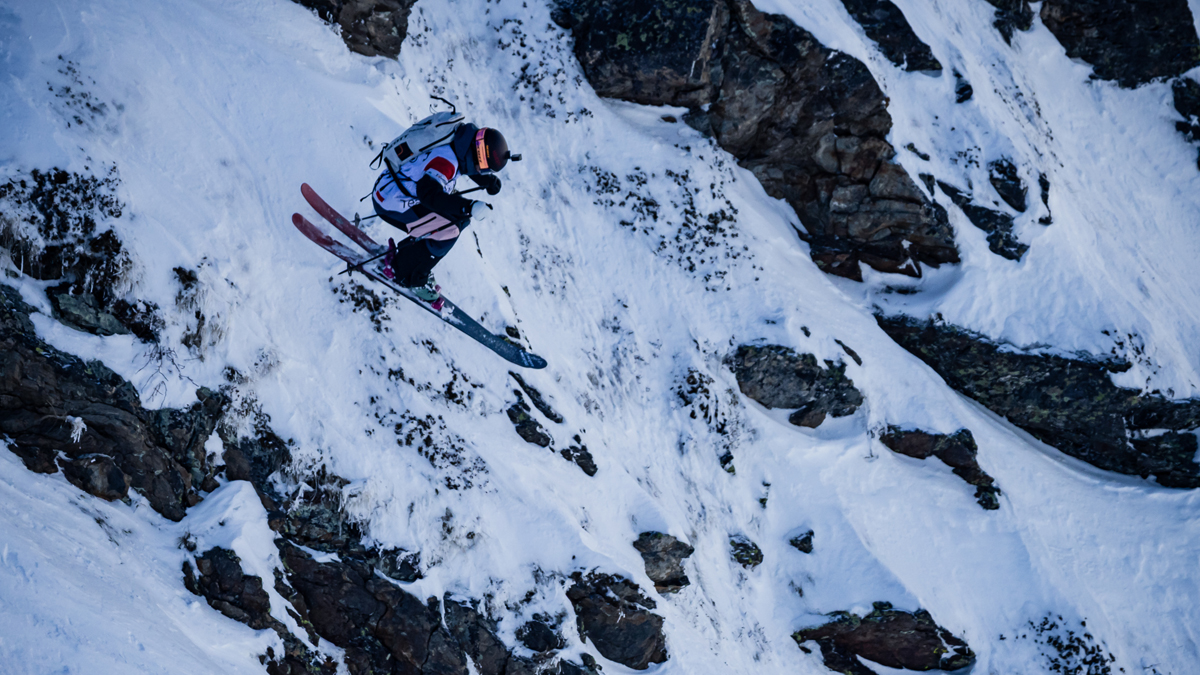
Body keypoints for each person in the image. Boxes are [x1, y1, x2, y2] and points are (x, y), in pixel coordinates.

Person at [370, 123, 512, 302]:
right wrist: (470, 205)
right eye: (483, 166)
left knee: (458, 219)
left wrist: (486, 180)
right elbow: (429, 194)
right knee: (449, 230)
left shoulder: (456, 139)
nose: (480, 169)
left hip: (389, 188)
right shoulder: (446, 163)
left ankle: (410, 259)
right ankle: (407, 274)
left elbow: (465, 160)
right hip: (393, 205)